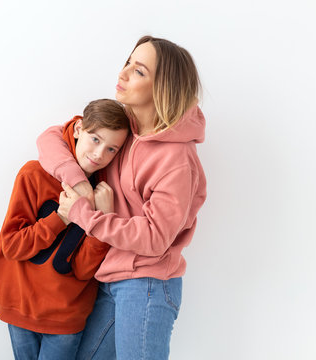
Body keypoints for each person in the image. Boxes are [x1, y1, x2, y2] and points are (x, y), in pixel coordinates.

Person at [36, 35, 207, 359]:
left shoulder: (176, 159)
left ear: (163, 87)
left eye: (139, 71)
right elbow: (50, 137)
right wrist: (80, 185)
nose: (123, 73)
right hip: (109, 278)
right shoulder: (121, 127)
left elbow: (155, 238)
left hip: (147, 285)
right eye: (128, 62)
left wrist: (83, 214)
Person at [0, 99, 130, 360]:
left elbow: (83, 269)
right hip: (20, 306)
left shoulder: (102, 195)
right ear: (78, 129)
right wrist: (61, 218)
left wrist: (103, 221)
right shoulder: (33, 174)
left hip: (66, 318)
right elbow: (12, 245)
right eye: (95, 139)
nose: (100, 154)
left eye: (112, 149)